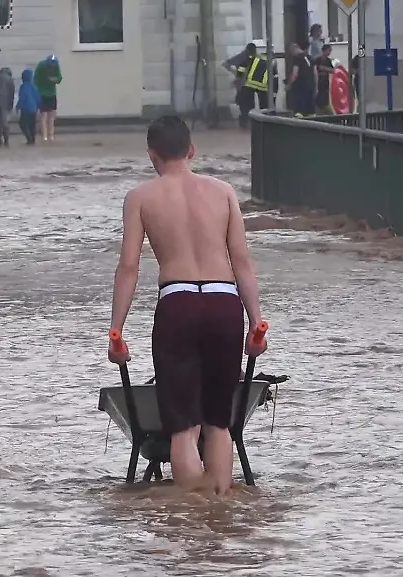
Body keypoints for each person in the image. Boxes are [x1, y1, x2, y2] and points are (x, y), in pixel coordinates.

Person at [107, 116, 266, 495]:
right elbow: (242, 261)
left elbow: (129, 267)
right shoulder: (224, 192)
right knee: (219, 424)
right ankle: (220, 508)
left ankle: (191, 511)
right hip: (225, 303)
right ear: (191, 150)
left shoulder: (140, 197)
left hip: (177, 304)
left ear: (151, 155)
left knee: (183, 428)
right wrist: (257, 323)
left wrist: (117, 330)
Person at [225, 43, 273, 130]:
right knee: (263, 104)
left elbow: (240, 69)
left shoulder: (245, 57)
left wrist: (237, 77)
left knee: (246, 104)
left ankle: (246, 123)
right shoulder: (264, 58)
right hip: (262, 85)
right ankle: (264, 123)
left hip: (248, 83)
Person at [33, 55, 62, 141]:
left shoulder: (55, 65)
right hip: (42, 93)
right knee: (45, 115)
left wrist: (54, 80)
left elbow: (59, 79)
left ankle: (49, 135)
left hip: (50, 93)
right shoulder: (41, 66)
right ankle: (46, 136)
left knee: (49, 115)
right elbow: (36, 79)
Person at [286, 43, 316, 118]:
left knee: (299, 111)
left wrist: (289, 85)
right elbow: (315, 73)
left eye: (291, 53)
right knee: (310, 110)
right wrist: (315, 86)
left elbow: (295, 73)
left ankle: (299, 123)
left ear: (293, 50)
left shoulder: (297, 58)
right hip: (310, 86)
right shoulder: (310, 58)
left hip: (300, 87)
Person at [16, 68, 40, 145]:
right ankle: (33, 139)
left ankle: (29, 139)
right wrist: (38, 107)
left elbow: (22, 98)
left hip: (26, 108)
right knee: (32, 125)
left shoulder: (23, 86)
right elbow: (38, 98)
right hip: (34, 109)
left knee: (22, 124)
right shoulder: (34, 86)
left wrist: (18, 107)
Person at [0, 67, 15, 147]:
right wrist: (11, 105)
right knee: (5, 122)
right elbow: (12, 93)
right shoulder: (10, 80)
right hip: (5, 102)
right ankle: (6, 141)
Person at [313, 44, 336, 115]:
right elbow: (315, 69)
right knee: (319, 100)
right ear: (324, 51)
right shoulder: (317, 60)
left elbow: (333, 70)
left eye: (330, 51)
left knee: (325, 100)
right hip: (318, 84)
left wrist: (324, 68)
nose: (329, 52)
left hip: (325, 84)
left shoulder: (328, 61)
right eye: (328, 50)